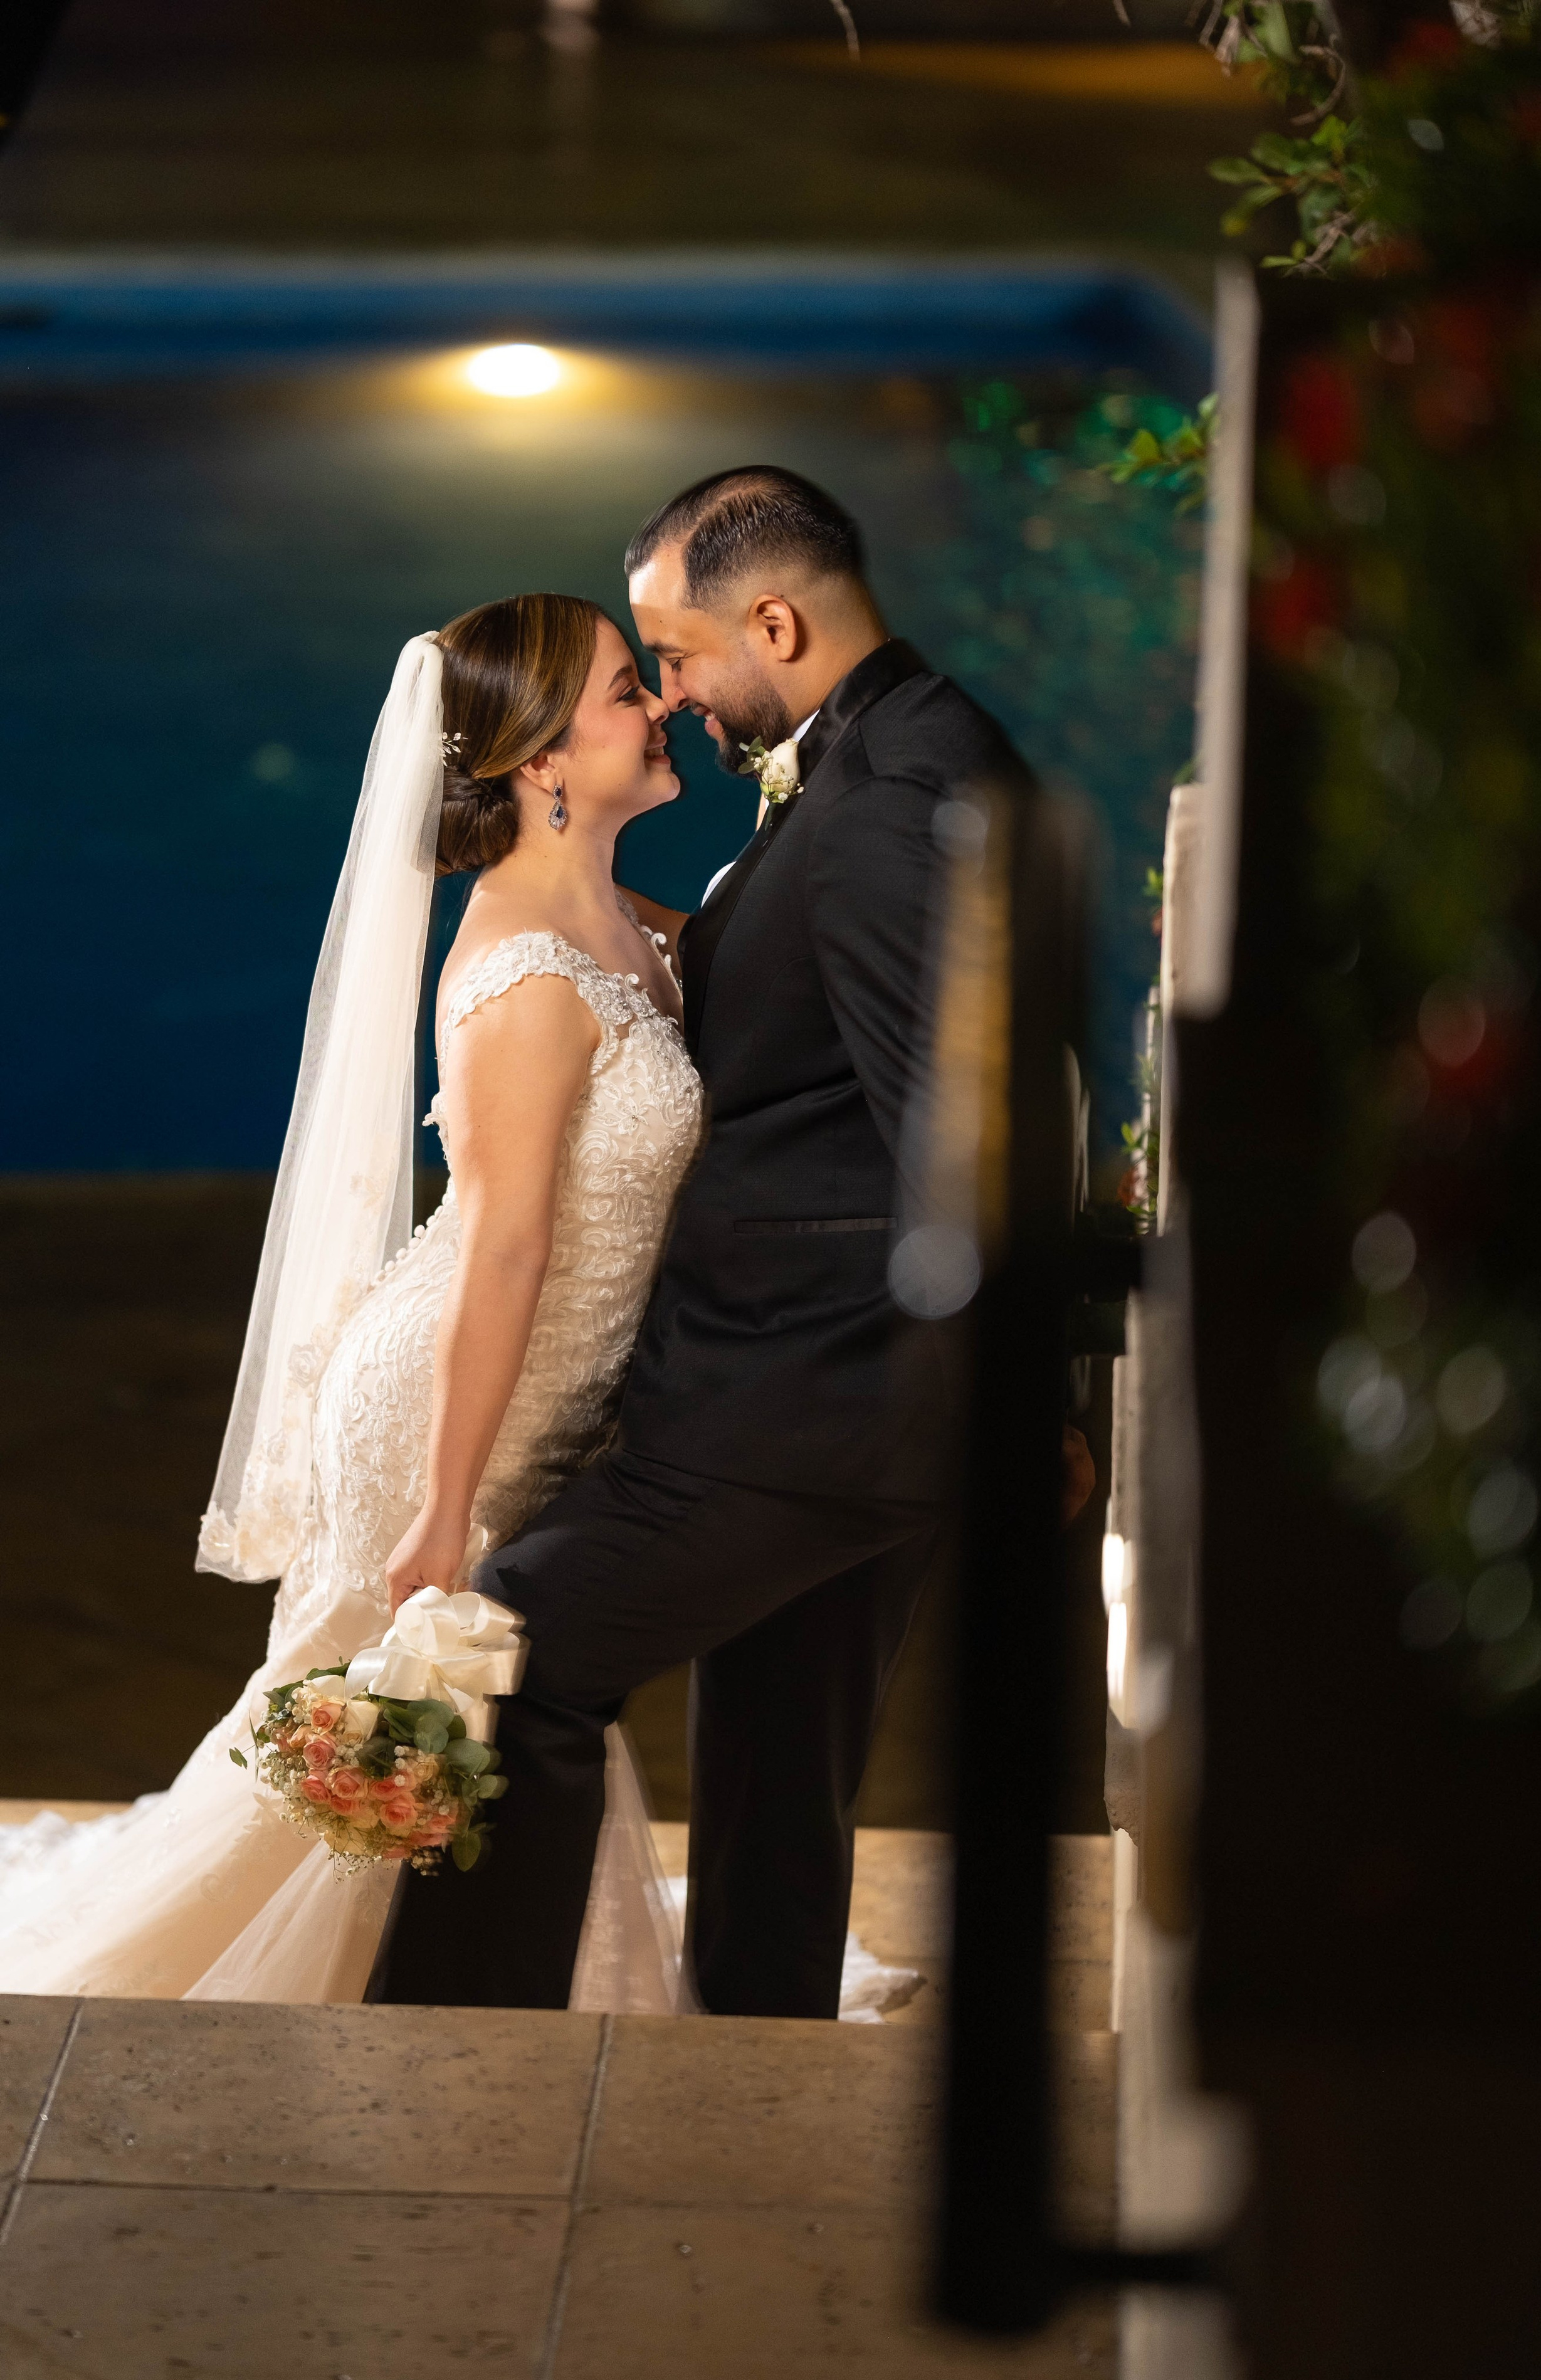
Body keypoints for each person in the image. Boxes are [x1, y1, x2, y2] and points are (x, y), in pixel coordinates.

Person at [368, 466, 1049, 2019]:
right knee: (774, 1772)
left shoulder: (879, 806)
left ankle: (455, 2061)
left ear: (775, 620)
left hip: (805, 1397)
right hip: (843, 1394)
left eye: (672, 658)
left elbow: (960, 1127)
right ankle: (759, 2053)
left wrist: (1030, 1400)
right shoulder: (888, 758)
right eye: (641, 677)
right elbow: (816, 983)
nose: (670, 696)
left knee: (518, 1666)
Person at [0, 596, 704, 2006]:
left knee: (469, 1705)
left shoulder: (627, 923)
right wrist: (444, 1508)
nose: (663, 706)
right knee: (404, 1704)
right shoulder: (520, 977)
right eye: (630, 690)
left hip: (529, 1390)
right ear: (540, 763)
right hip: (448, 1405)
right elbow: (503, 1253)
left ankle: (488, 1986)